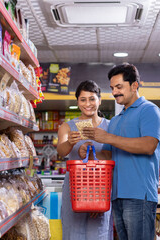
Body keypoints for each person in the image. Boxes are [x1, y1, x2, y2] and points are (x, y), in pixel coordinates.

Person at [80, 63, 160, 240]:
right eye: (112, 88)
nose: (114, 92)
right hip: (117, 195)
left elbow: (149, 145)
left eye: (119, 87)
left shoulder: (149, 110)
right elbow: (109, 155)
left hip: (140, 195)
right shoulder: (116, 121)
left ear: (134, 85)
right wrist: (89, 152)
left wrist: (107, 138)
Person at [57, 80, 113, 240]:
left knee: (99, 234)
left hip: (101, 190)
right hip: (75, 191)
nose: (88, 103)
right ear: (77, 102)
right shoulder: (67, 127)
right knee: (73, 234)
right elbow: (61, 151)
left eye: (92, 99)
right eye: (83, 99)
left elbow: (113, 157)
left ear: (99, 100)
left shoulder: (110, 126)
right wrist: (70, 143)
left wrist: (97, 197)